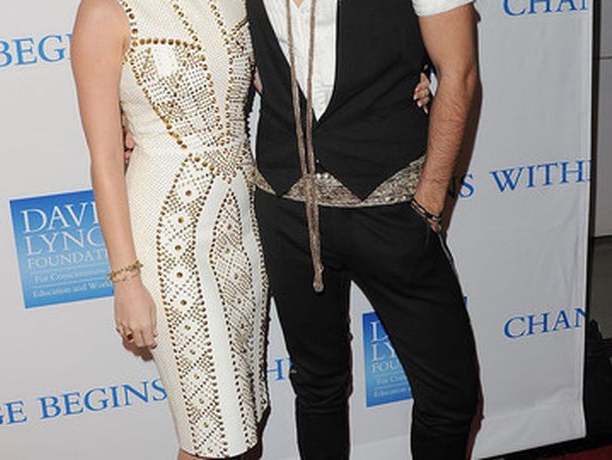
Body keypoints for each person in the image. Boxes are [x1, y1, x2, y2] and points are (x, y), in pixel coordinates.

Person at [73, 0, 432, 459]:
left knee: (242, 423)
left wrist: (401, 81)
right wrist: (126, 280)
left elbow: (296, 78)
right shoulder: (105, 12)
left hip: (245, 228)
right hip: (169, 237)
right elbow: (105, 162)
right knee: (214, 437)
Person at [247, 1, 480, 459]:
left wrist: (430, 202)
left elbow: (460, 72)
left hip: (394, 209)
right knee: (318, 384)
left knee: (451, 397)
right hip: (287, 210)